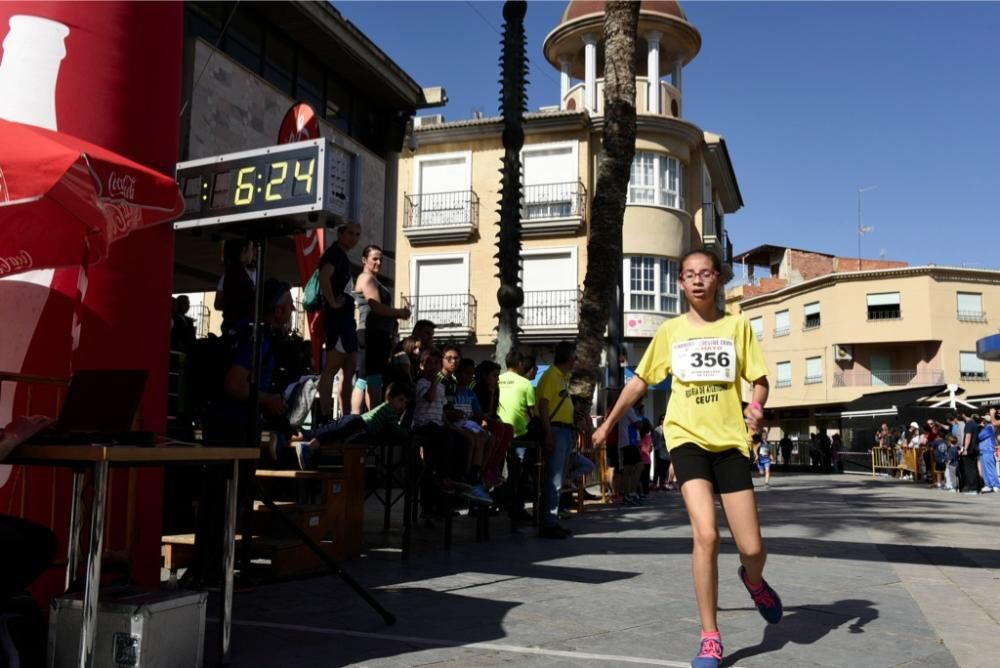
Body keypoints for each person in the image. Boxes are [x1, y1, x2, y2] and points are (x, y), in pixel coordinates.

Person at [593, 249, 782, 668]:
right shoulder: (671, 331)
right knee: (708, 536)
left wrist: (755, 407)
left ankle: (753, 581)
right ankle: (710, 637)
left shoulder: (738, 327)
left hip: (731, 441)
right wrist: (607, 425)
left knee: (752, 547)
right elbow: (640, 383)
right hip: (686, 438)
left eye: (705, 274)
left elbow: (761, 380)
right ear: (681, 283)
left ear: (718, 279)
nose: (697, 281)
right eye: (689, 275)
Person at [186, 279, 292, 588]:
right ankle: (212, 568)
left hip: (222, 424)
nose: (291, 311)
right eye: (288, 306)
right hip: (233, 427)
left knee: (217, 499)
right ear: (277, 310)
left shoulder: (242, 331)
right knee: (226, 500)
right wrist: (268, 400)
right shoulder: (255, 339)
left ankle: (207, 567)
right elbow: (234, 383)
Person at [295, 381, 411, 470]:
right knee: (334, 434)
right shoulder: (391, 411)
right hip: (360, 426)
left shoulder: (384, 407)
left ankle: (299, 436)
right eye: (400, 400)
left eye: (405, 402)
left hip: (354, 418)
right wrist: (408, 432)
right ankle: (309, 447)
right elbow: (396, 431)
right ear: (390, 397)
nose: (403, 405)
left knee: (330, 429)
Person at [350, 244, 411, 414]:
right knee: (364, 378)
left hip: (377, 334)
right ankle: (357, 418)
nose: (379, 262)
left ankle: (371, 417)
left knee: (372, 378)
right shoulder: (366, 279)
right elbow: (376, 307)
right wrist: (399, 312)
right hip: (371, 333)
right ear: (364, 260)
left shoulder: (372, 280)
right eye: (374, 258)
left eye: (381, 259)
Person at [317, 222, 362, 422]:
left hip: (347, 320)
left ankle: (345, 417)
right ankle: (326, 414)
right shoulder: (334, 253)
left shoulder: (342, 255)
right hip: (338, 319)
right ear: (340, 233)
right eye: (350, 233)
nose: (354, 238)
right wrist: (333, 303)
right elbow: (324, 276)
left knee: (350, 366)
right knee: (332, 367)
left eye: (357, 235)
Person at [535, 341, 578, 539]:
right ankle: (548, 523)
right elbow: (543, 406)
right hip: (556, 430)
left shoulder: (561, 377)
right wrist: (548, 433)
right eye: (575, 357)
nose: (576, 361)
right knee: (554, 479)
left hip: (564, 430)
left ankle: (552, 520)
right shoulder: (551, 376)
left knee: (558, 478)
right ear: (569, 359)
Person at [216, 238, 256, 336]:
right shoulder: (237, 274)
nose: (253, 253)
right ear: (243, 251)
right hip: (238, 326)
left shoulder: (233, 271)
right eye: (251, 249)